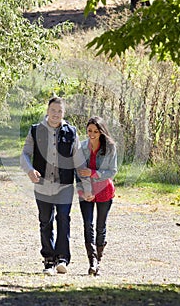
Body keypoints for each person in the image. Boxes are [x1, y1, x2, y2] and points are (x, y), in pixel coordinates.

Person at [20, 97, 91, 276]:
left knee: (64, 219)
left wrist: (86, 186)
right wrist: (30, 170)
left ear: (63, 113)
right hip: (42, 185)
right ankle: (48, 260)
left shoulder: (71, 132)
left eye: (60, 111)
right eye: (53, 110)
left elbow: (79, 161)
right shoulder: (36, 130)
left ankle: (62, 259)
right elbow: (25, 154)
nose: (56, 114)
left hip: (64, 186)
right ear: (47, 110)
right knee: (45, 221)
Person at [77, 116, 117, 276]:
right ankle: (92, 262)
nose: (92, 134)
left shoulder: (110, 148)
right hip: (85, 191)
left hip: (104, 191)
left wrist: (94, 173)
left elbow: (112, 171)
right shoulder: (81, 147)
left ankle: (98, 261)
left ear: (101, 131)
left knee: (101, 226)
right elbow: (78, 171)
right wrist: (86, 191)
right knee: (88, 225)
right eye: (89, 131)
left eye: (95, 131)